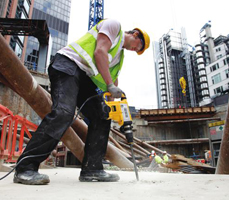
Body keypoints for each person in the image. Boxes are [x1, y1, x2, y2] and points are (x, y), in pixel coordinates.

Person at [13, 18, 150, 185]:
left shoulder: (119, 58)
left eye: (138, 50)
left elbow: (113, 83)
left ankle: (92, 169)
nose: (135, 50)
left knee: (102, 115)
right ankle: (25, 167)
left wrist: (119, 111)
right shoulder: (114, 26)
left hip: (84, 77)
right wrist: (110, 85)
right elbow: (99, 52)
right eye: (138, 46)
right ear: (135, 34)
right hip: (67, 65)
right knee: (64, 113)